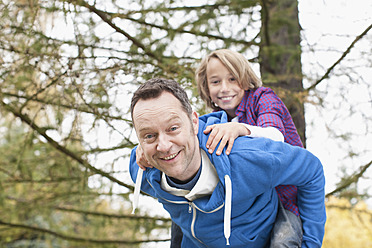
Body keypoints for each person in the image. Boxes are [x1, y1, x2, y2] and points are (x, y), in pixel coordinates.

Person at [129, 78, 326, 247]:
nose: (163, 146)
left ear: (194, 122)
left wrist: (310, 244)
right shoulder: (142, 170)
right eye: (149, 135)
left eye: (172, 128)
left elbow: (312, 170)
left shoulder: (245, 158)